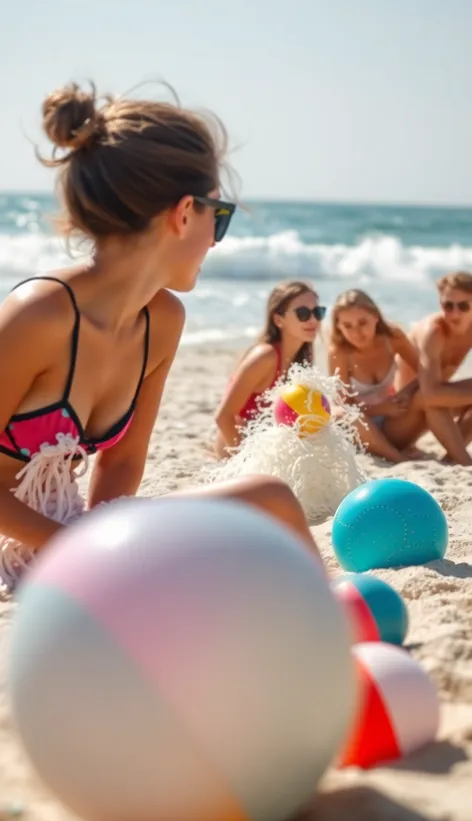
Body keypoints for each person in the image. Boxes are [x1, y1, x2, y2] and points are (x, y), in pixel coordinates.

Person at [0, 82, 321, 591]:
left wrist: (114, 545)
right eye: (220, 217)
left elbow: (122, 461)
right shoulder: (38, 315)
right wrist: (75, 549)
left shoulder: (162, 322)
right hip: (19, 546)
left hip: (76, 538)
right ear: (184, 211)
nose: (217, 240)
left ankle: (333, 641)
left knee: (270, 497)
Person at [214, 280, 325, 457]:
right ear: (278, 320)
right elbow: (223, 417)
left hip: (267, 442)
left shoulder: (301, 358)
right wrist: (243, 461)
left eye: (318, 312)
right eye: (303, 313)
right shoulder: (265, 357)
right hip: (236, 447)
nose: (313, 320)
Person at [328, 289, 422, 463]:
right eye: (347, 326)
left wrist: (407, 392)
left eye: (363, 322)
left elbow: (425, 371)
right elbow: (345, 405)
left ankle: (455, 452)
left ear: (376, 317)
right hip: (357, 428)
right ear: (338, 327)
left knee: (426, 396)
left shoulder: (392, 337)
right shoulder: (340, 352)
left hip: (389, 421)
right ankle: (397, 457)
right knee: (345, 414)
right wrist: (383, 408)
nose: (356, 332)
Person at [396, 271, 472, 466]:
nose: (454, 313)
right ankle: (464, 461)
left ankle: (453, 458)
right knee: (428, 395)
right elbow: (430, 395)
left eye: (463, 306)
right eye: (448, 305)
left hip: (435, 410)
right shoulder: (434, 331)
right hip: (402, 416)